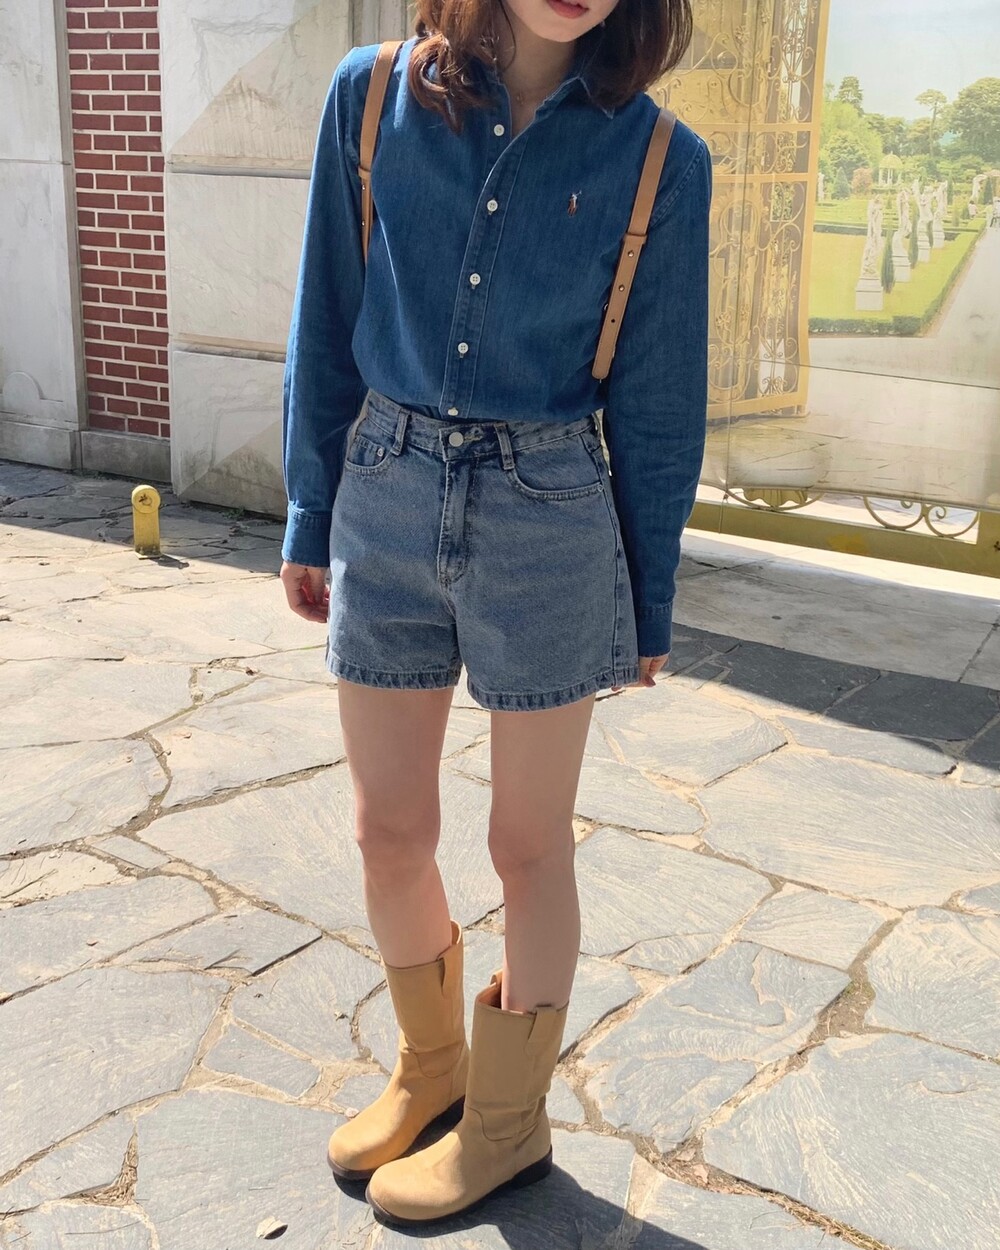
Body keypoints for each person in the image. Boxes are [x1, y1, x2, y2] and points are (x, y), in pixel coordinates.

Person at [278, 0, 711, 1228]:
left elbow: (660, 393)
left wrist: (648, 590)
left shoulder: (661, 158)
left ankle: (510, 1123)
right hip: (385, 489)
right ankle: (432, 1069)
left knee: (528, 843)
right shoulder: (370, 97)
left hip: (550, 509)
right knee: (388, 828)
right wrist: (309, 510)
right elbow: (324, 319)